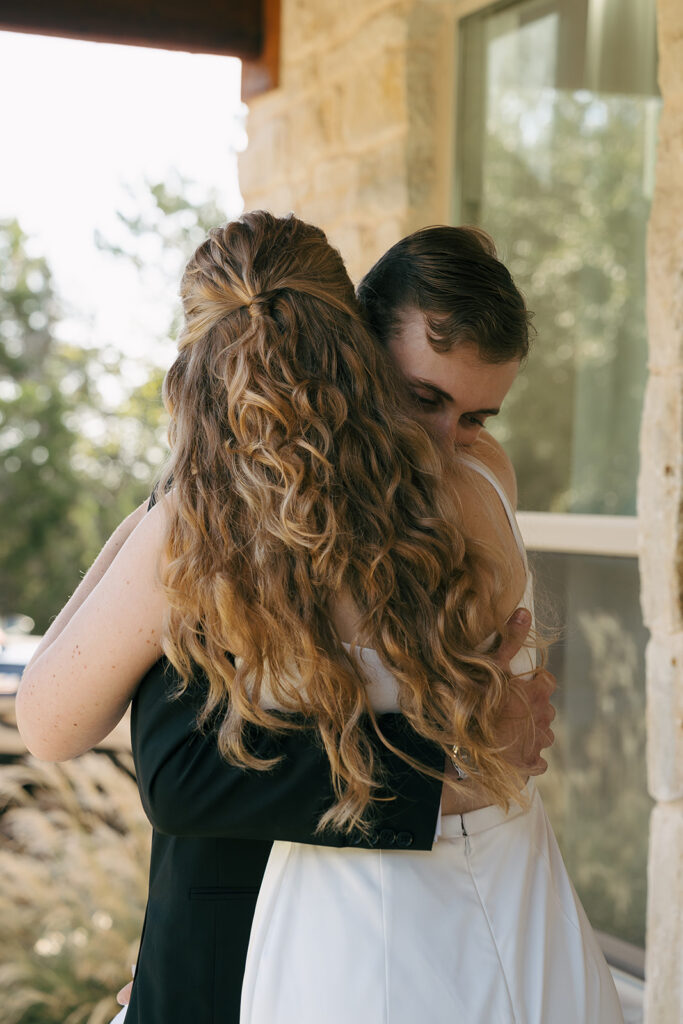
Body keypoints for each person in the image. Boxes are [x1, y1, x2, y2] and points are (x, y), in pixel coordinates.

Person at [13, 213, 604, 1023]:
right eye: (422, 398)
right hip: (506, 920)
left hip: (351, 947)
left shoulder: (224, 521)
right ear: (352, 347)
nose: (442, 443)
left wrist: (162, 504)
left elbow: (67, 730)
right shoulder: (481, 479)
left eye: (471, 417)